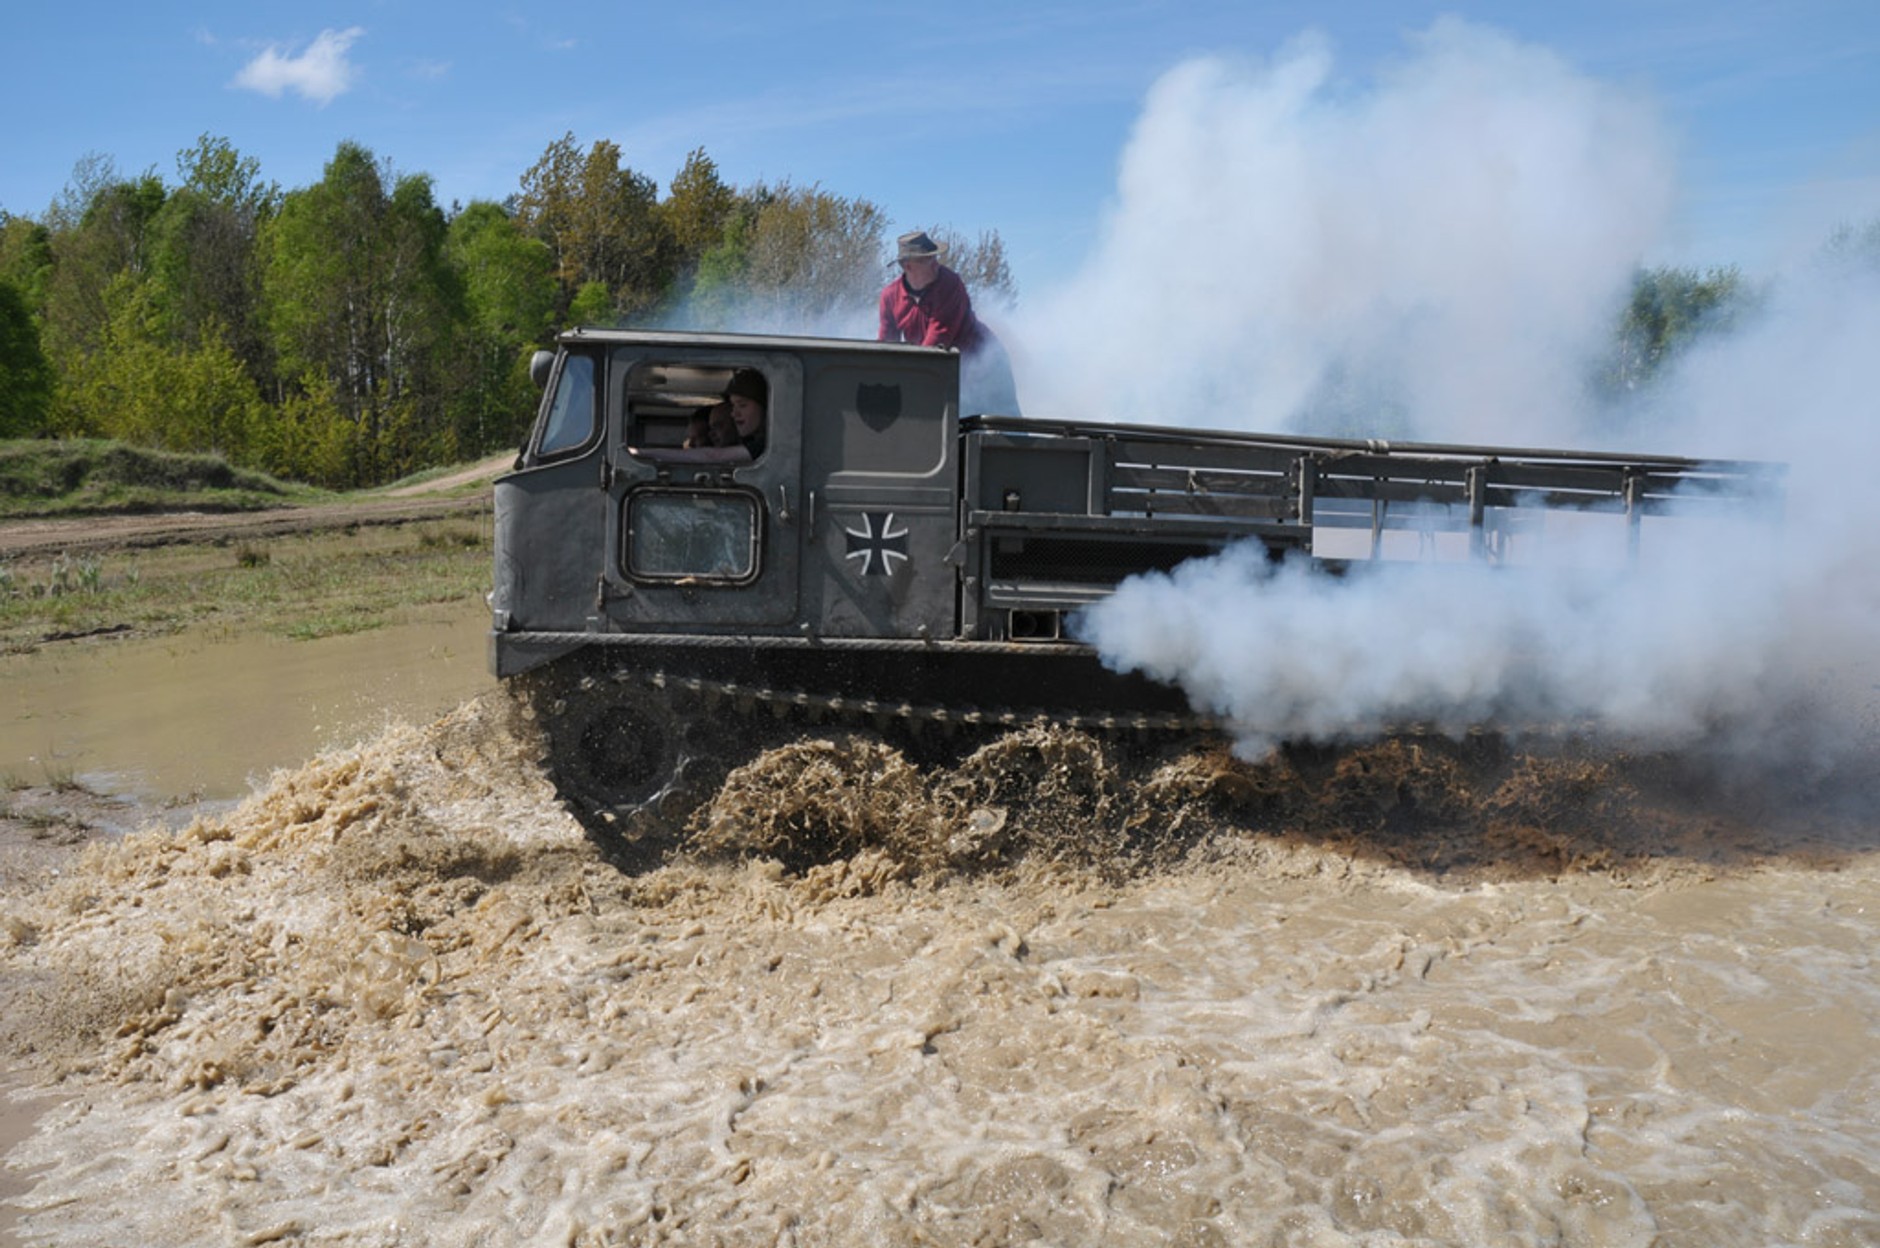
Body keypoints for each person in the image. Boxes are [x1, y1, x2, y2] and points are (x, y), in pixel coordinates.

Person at [877, 230, 1021, 415]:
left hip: (987, 365)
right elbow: (887, 345)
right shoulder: (890, 296)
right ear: (908, 266)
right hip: (945, 372)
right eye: (927, 259)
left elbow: (938, 339)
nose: (935, 263)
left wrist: (909, 383)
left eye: (934, 257)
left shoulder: (950, 283)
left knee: (1005, 421)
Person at [639, 368, 767, 464]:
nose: (734, 414)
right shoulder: (754, 443)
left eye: (743, 405)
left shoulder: (765, 446)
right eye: (733, 406)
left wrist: (639, 453)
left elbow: (713, 456)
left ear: (766, 407)